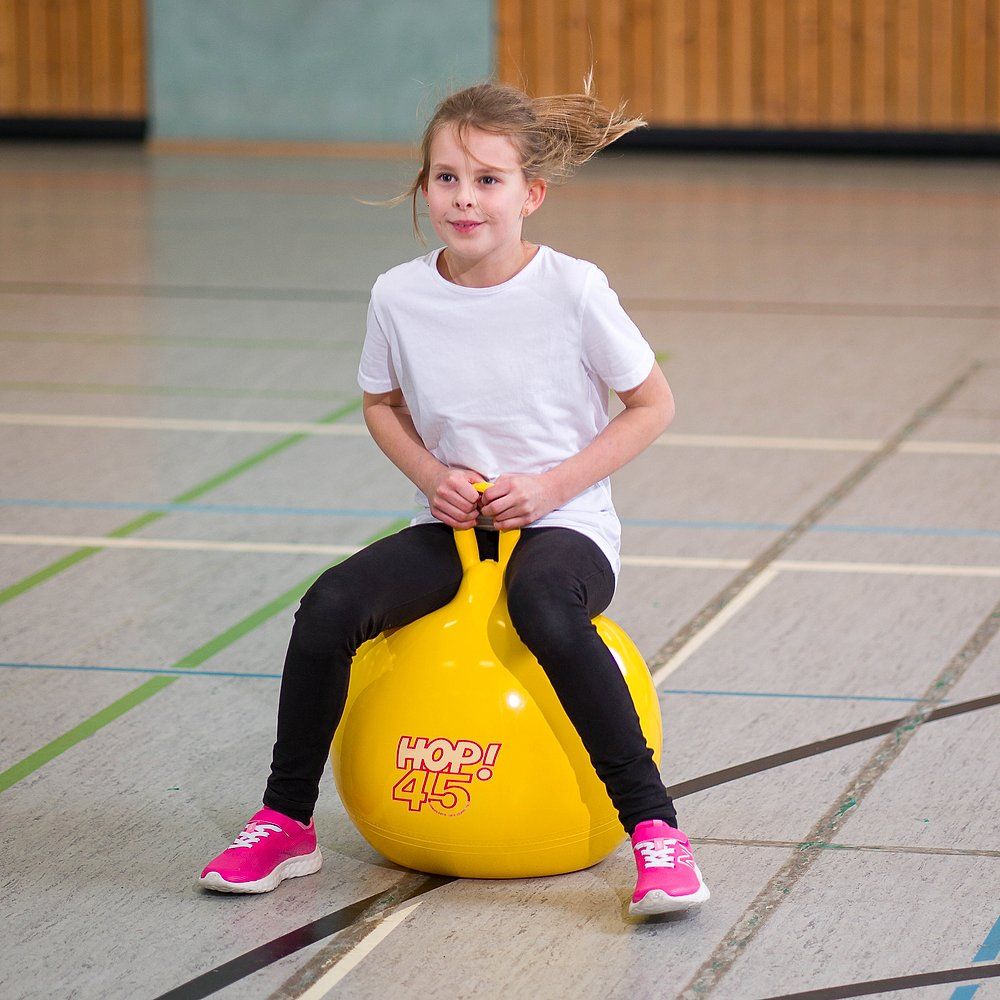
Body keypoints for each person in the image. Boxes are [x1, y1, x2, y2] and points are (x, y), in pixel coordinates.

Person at [199, 73, 710, 916]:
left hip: (564, 527)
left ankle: (657, 835)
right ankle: (286, 822)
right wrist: (432, 477)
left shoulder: (573, 288)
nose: (463, 199)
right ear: (423, 186)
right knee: (328, 606)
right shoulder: (399, 294)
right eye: (446, 178)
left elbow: (653, 405)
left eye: (487, 179)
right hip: (449, 530)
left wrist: (548, 486)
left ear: (531, 194)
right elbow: (381, 405)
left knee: (544, 609)